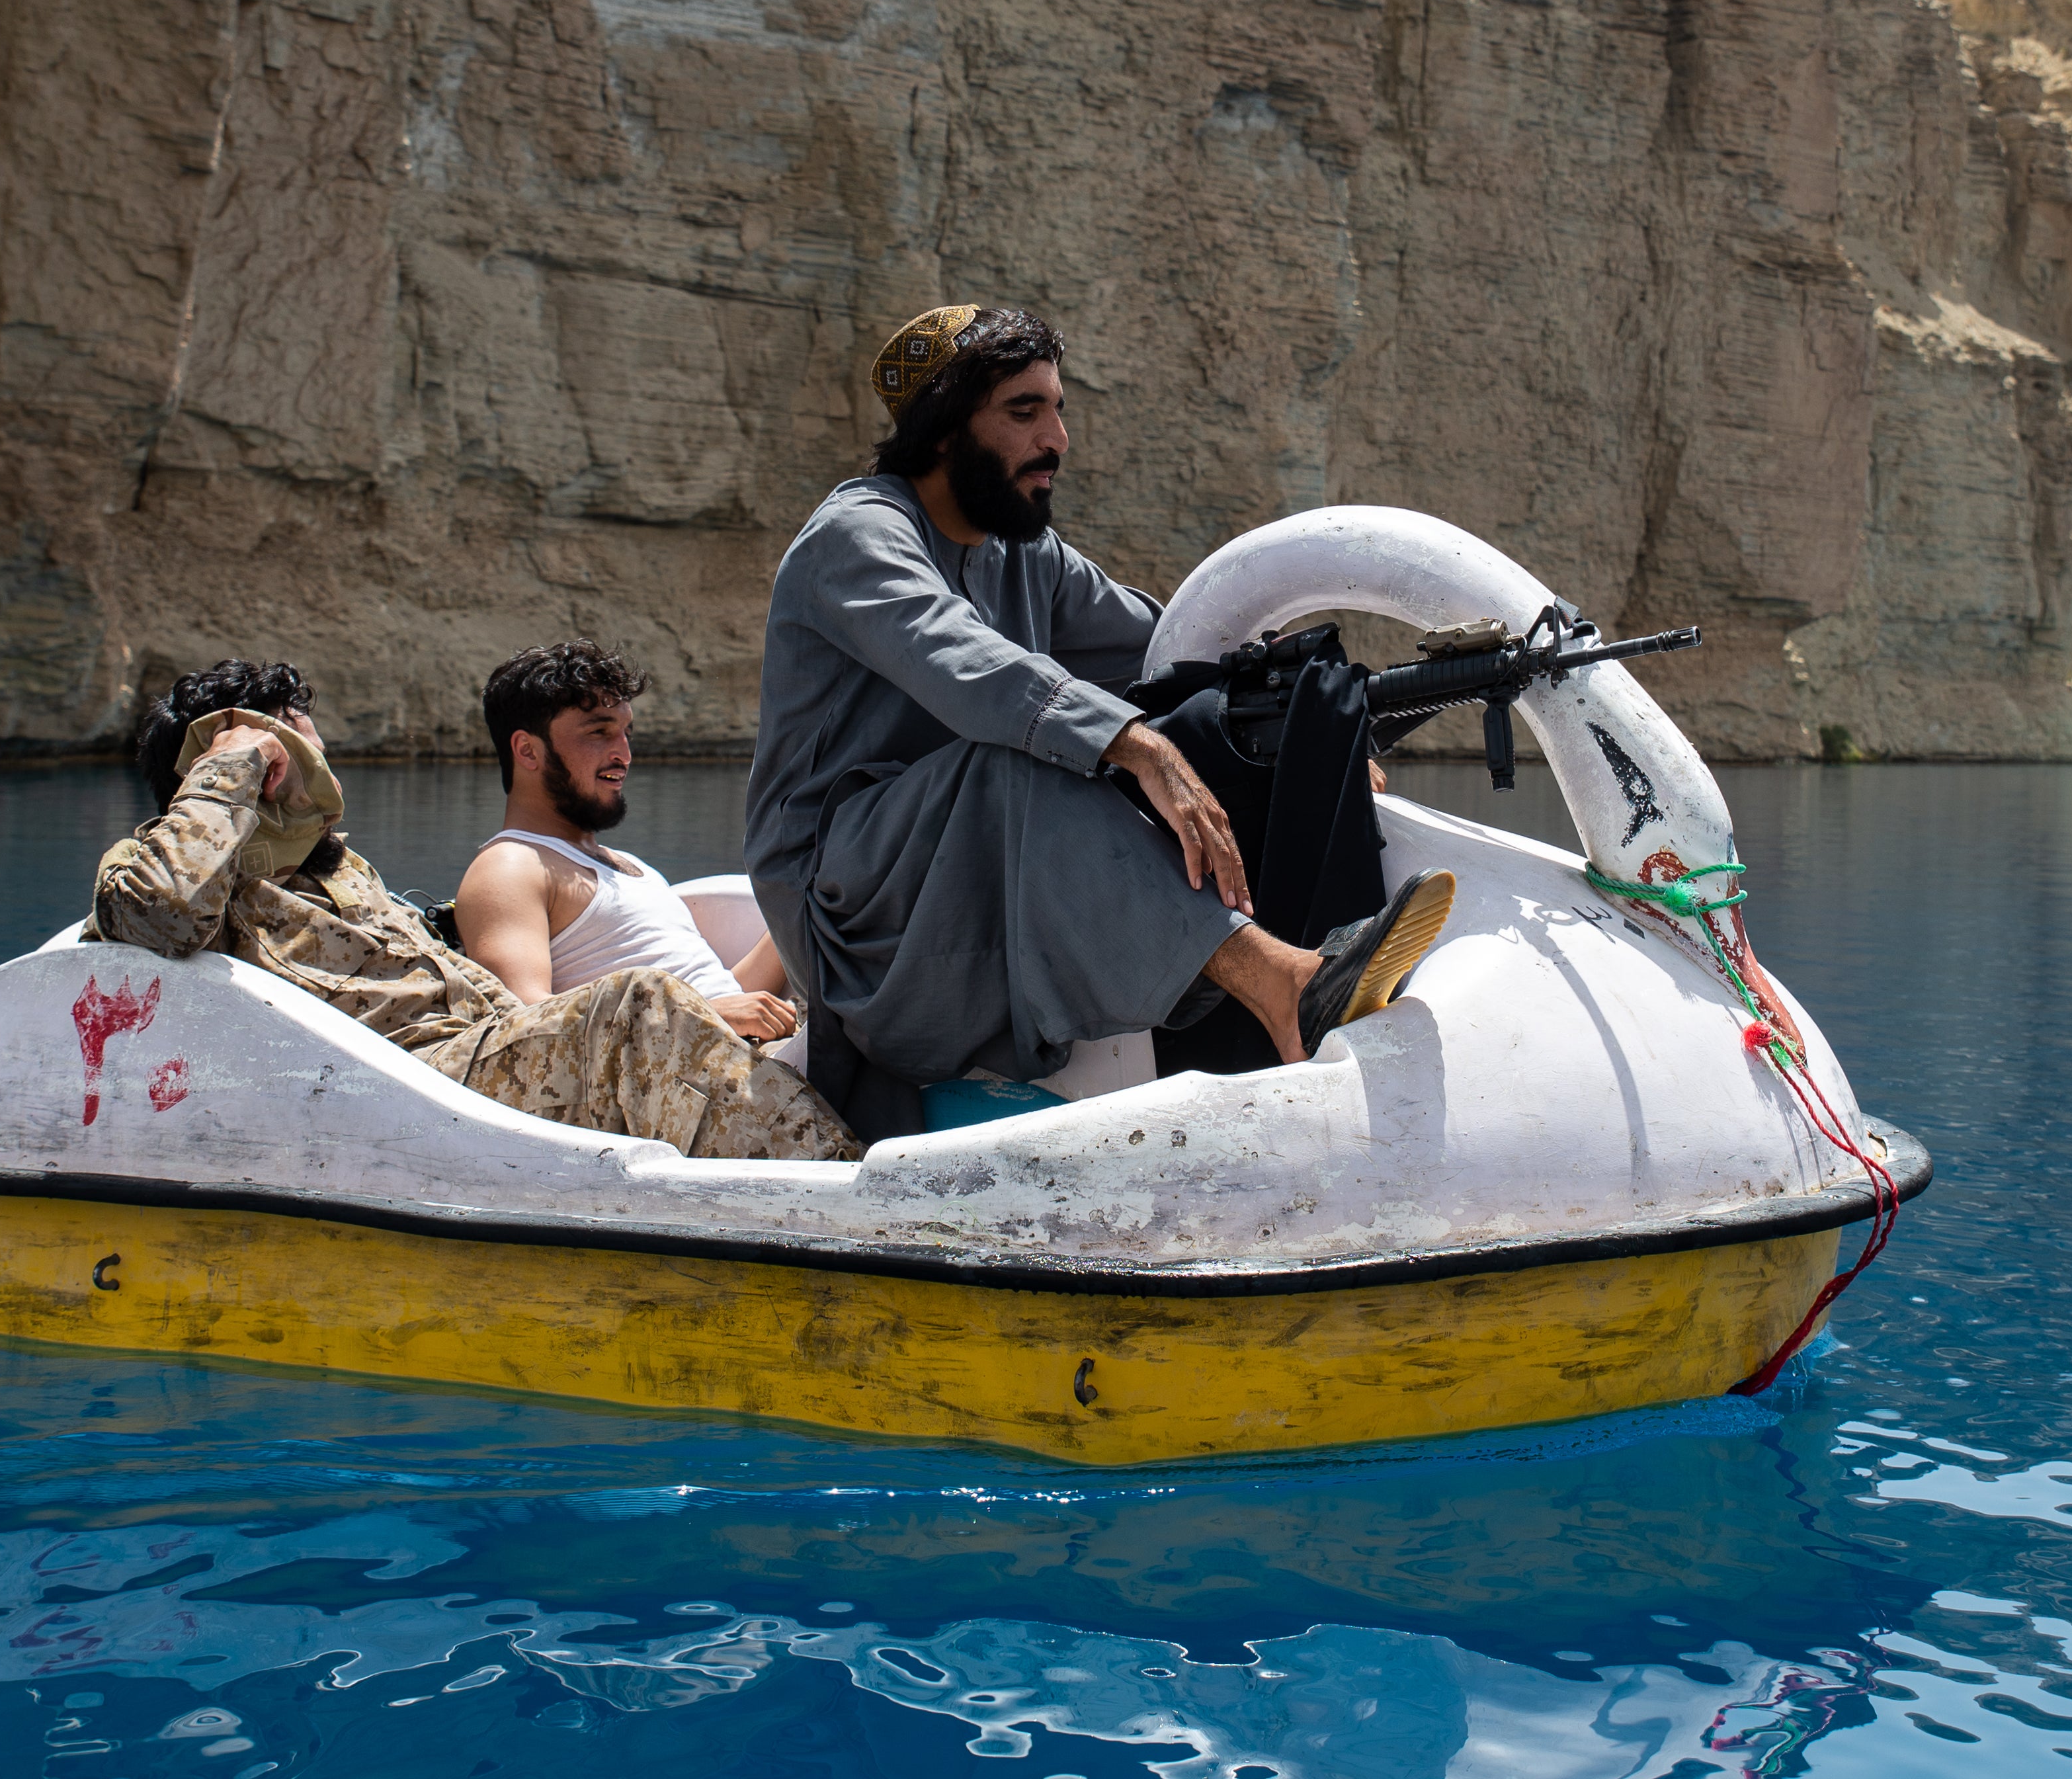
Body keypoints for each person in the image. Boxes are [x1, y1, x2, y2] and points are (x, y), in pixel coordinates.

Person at [745, 304, 1452, 1139]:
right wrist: (1132, 744)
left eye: (1058, 408)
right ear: (942, 432)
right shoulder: (857, 536)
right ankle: (1286, 985)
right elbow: (962, 662)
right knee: (1022, 760)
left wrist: (1313, 722)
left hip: (966, 890)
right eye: (1024, 412)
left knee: (1192, 729)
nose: (1058, 438)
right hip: (850, 920)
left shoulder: (1022, 554)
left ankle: (1275, 1027)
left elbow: (1175, 644)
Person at [92, 657, 857, 1163]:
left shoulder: (338, 868)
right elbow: (159, 917)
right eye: (284, 751)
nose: (311, 766)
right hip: (407, 1091)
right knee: (640, 1005)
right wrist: (236, 761)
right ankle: (843, 1191)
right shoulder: (161, 876)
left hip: (477, 1055)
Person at [454, 641, 798, 1038]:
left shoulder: (628, 867)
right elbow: (526, 1028)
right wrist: (706, 1014)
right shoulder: (511, 868)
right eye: (600, 732)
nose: (624, 754)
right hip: (686, 1084)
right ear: (528, 751)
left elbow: (728, 1000)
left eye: (626, 733)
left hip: (741, 1055)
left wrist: (803, 900)